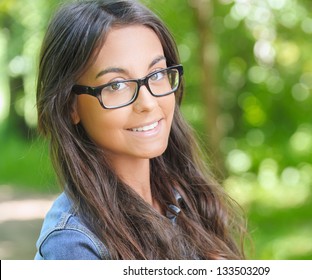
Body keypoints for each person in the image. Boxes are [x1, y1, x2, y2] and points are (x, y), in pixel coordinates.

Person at [34, 0, 245, 260]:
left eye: (156, 74)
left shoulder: (185, 195)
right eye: (116, 85)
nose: (148, 102)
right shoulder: (74, 242)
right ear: (70, 106)